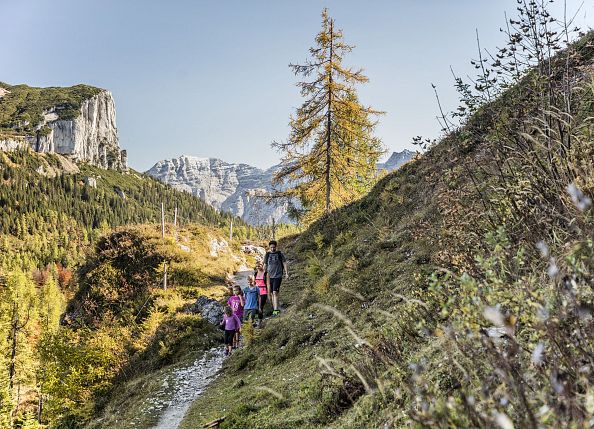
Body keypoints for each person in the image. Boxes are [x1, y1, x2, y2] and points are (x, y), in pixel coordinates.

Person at [263, 240, 288, 316]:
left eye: (274, 247)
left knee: (275, 292)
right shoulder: (267, 255)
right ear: (269, 247)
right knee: (271, 294)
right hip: (269, 277)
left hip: (278, 276)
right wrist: (262, 275)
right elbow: (265, 265)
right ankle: (275, 308)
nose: (272, 249)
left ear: (276, 247)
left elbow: (284, 263)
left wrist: (287, 273)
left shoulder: (280, 254)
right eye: (271, 247)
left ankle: (276, 310)